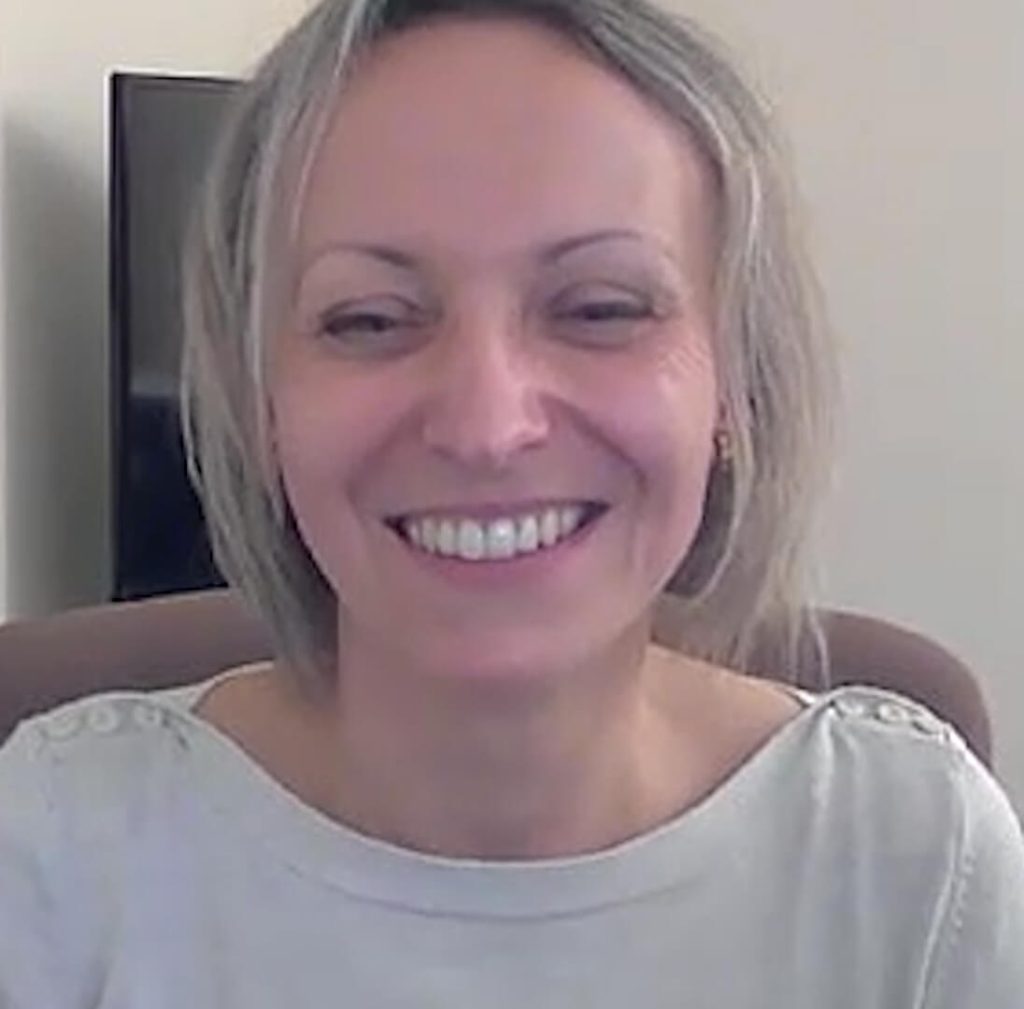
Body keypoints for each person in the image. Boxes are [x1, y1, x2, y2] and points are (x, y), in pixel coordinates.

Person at [1, 0, 1022, 1004]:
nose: (486, 426)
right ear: (259, 402)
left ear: (735, 382)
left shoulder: (908, 857)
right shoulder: (64, 846)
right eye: (368, 320)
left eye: (599, 309)